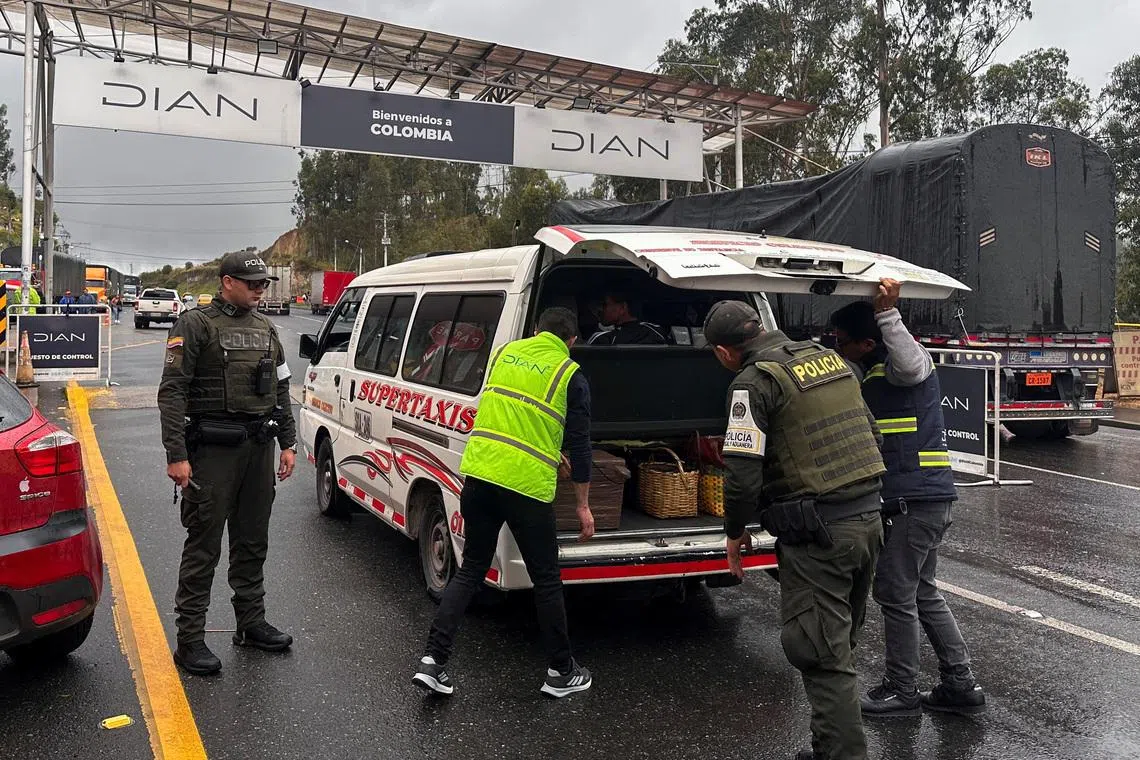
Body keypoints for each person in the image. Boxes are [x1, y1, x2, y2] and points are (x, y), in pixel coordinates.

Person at [704, 300, 885, 760]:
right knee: (838, 644)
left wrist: (734, 531)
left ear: (725, 352)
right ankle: (828, 744)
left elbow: (741, 474)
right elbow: (873, 436)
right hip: (868, 519)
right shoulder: (832, 359)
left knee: (822, 655)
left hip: (820, 532)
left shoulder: (753, 382)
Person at [413, 307, 595, 699]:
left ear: (535, 331)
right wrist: (582, 505)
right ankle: (561, 672)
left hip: (479, 476)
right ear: (572, 341)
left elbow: (515, 414)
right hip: (526, 489)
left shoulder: (504, 355)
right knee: (546, 579)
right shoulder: (570, 374)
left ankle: (433, 661)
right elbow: (579, 444)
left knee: (470, 569)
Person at [831, 279, 985, 718]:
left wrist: (887, 314)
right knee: (922, 593)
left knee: (895, 593)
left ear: (868, 341)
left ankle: (902, 689)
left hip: (914, 503)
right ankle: (959, 684)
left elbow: (911, 361)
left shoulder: (906, 365)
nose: (840, 351)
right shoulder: (876, 373)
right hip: (923, 500)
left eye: (845, 344)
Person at [157, 252, 297, 676]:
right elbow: (173, 392)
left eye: (263, 284)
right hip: (213, 450)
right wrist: (176, 454)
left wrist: (288, 442)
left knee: (253, 541)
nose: (259, 289)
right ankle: (190, 639)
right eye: (252, 282)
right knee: (203, 545)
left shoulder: (266, 329)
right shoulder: (195, 325)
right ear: (226, 282)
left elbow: (282, 388)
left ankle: (250, 624)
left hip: (259, 447)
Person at [587, 291, 667, 345]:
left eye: (605, 304)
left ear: (623, 307)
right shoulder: (656, 331)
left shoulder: (603, 340)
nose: (600, 309)